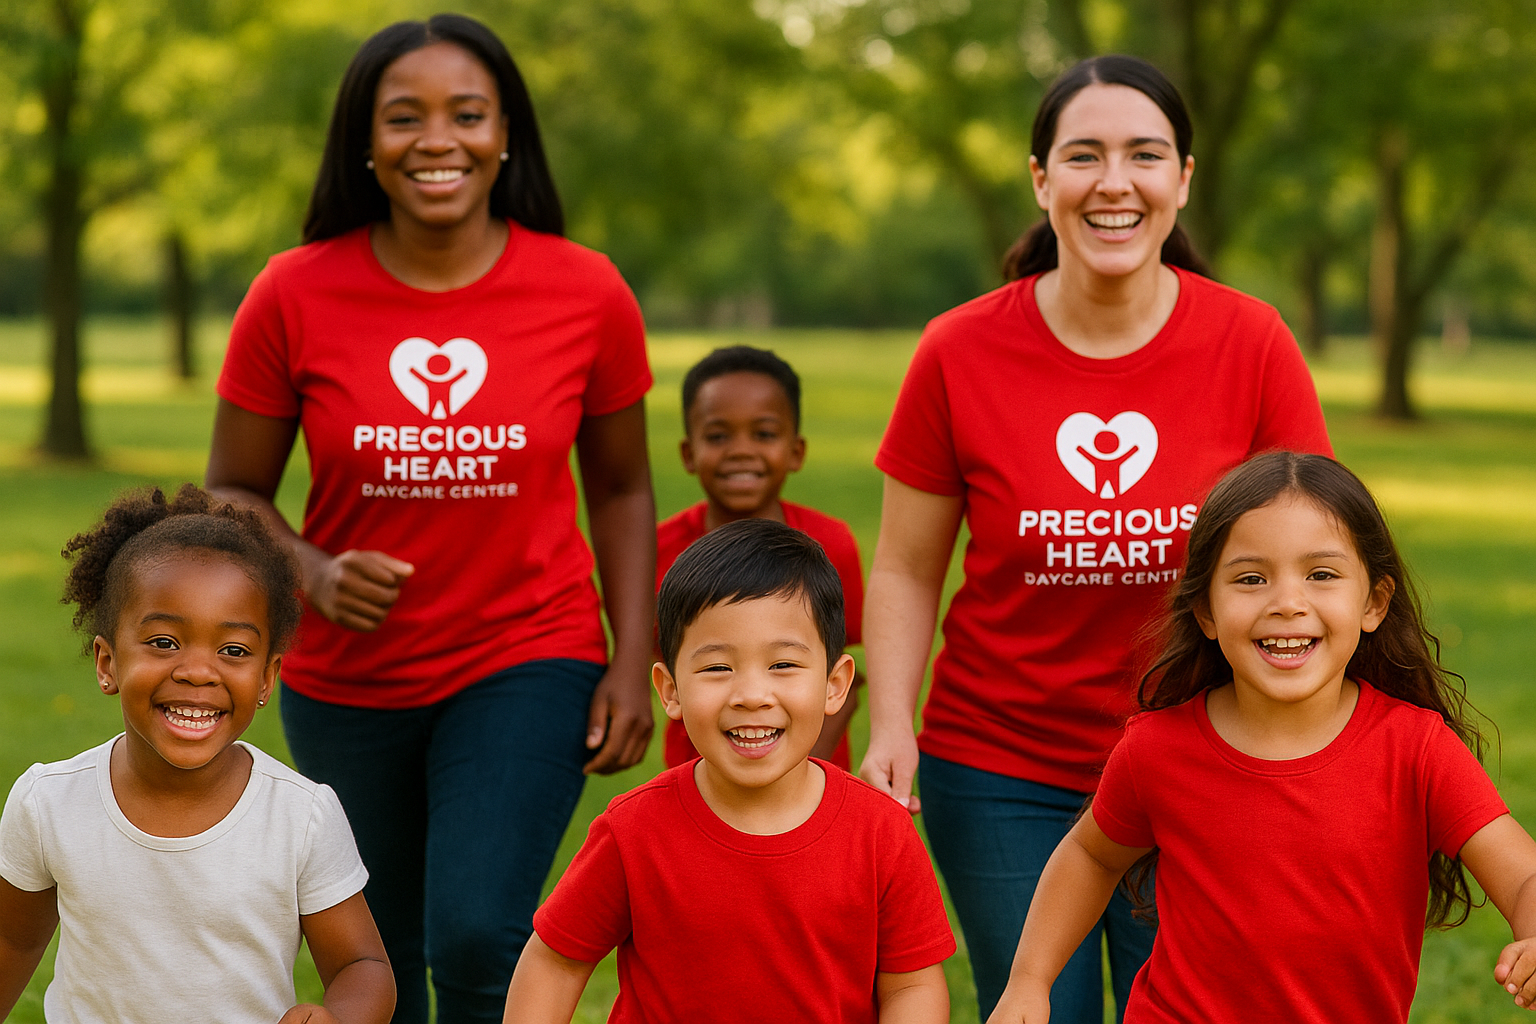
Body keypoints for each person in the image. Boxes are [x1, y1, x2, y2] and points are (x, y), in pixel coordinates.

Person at [859, 54, 1334, 1021]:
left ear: (1183, 179)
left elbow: (1318, 560)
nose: (1114, 182)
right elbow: (908, 566)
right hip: (1002, 769)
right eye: (1084, 155)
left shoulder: (1253, 343)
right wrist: (893, 723)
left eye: (1144, 155)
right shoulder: (958, 349)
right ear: (1041, 180)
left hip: (1203, 755)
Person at [204, 15, 655, 1023]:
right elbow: (232, 486)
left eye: (467, 114)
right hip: (347, 676)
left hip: (528, 651)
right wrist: (313, 572)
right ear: (366, 143)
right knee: (380, 956)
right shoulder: (294, 291)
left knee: (477, 929)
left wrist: (636, 656)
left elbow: (623, 487)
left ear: (506, 137)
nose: (436, 139)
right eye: (404, 117)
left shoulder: (585, 291)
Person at [987, 451, 1536, 1023]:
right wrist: (1029, 980)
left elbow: (1522, 872)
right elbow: (1090, 857)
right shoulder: (1156, 750)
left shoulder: (1417, 749)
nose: (1287, 603)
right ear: (1206, 612)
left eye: (1321, 575)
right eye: (1251, 579)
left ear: (1373, 602)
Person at [504, 519, 955, 1023]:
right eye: (718, 668)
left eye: (783, 665)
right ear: (670, 690)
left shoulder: (880, 832)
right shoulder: (632, 831)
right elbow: (554, 964)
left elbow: (912, 985)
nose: (751, 695)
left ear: (835, 684)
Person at [0, 484, 394, 1024]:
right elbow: (12, 943)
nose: (198, 671)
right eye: (164, 642)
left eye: (233, 650)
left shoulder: (300, 817)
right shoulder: (48, 803)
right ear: (107, 662)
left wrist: (339, 1017)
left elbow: (361, 963)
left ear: (267, 677)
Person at [657, 345, 865, 770]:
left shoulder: (831, 543)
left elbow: (847, 672)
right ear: (687, 453)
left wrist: (796, 770)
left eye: (764, 434)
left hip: (810, 775)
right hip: (700, 776)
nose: (741, 451)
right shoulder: (660, 550)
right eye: (718, 436)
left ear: (796, 451)